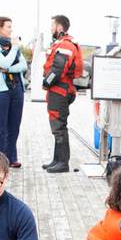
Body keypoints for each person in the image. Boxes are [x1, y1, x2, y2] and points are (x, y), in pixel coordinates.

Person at [41, 14, 82, 173]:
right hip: (60, 88)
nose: (51, 28)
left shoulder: (65, 44)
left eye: (52, 25)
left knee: (59, 126)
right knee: (57, 125)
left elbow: (58, 68)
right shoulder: (63, 43)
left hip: (60, 89)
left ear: (59, 27)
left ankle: (63, 163)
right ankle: (56, 160)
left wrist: (46, 83)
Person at [0, 16, 27, 168]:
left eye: (12, 27)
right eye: (8, 27)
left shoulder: (12, 45)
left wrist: (9, 69)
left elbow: (22, 66)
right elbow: (3, 62)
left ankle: (10, 157)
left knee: (14, 126)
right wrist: (15, 48)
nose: (11, 30)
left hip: (16, 88)